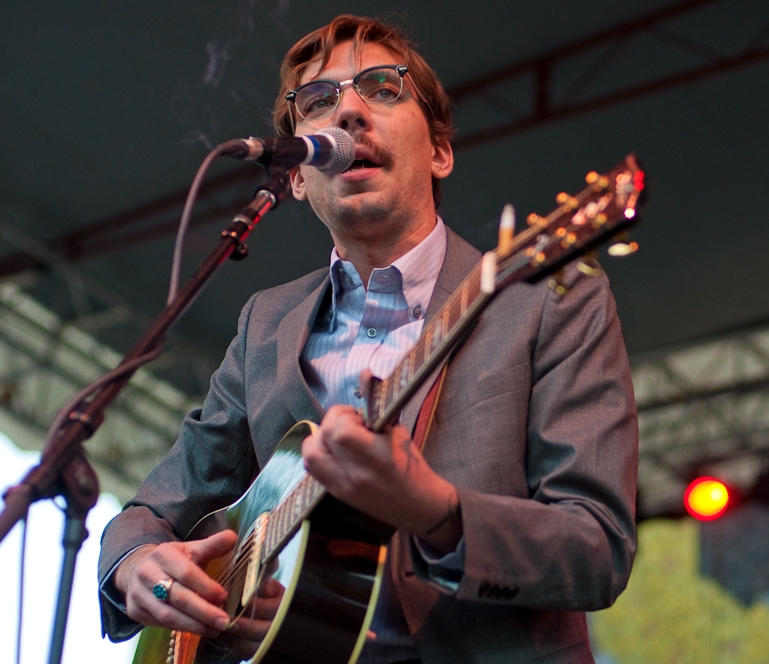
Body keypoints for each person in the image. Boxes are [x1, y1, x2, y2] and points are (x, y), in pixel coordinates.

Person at [98, 14, 638, 663]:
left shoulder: (549, 297)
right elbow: (153, 510)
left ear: (439, 151)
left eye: (383, 88)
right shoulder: (264, 323)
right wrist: (136, 567)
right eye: (318, 101)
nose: (350, 110)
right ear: (296, 176)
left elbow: (599, 549)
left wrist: (439, 514)